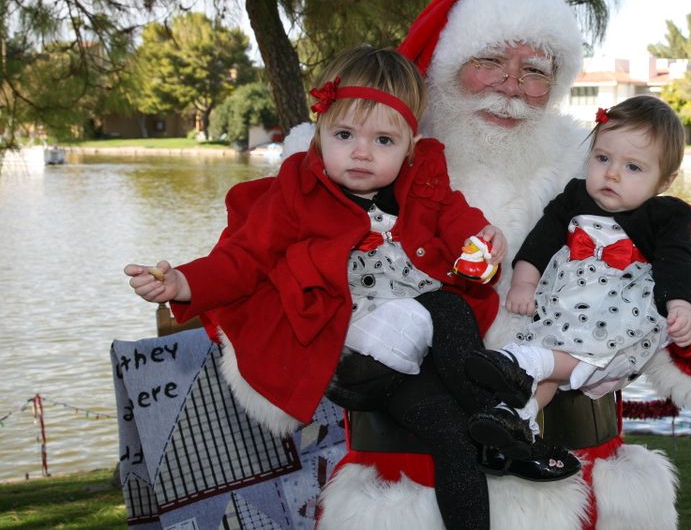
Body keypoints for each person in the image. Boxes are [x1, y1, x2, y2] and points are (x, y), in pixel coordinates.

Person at [311, 0, 691, 530]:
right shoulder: (373, 163)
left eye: (534, 70)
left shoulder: (590, 167)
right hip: (406, 487)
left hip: (578, 479)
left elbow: (685, 248)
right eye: (490, 61)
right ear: (447, 68)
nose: (511, 86)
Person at [124, 46, 576, 530]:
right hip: (353, 355)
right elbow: (244, 257)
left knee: (452, 432)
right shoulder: (297, 191)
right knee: (444, 308)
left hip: (412, 362)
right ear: (321, 134)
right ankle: (508, 422)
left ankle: (490, 448)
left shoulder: (424, 179)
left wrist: (483, 238)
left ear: (409, 146)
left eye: (383, 139)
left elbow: (456, 216)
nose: (361, 151)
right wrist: (185, 282)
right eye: (345, 135)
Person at [465, 95, 691, 446]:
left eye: (633, 167)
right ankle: (516, 417)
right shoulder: (574, 197)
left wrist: (681, 304)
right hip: (564, 306)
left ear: (665, 181)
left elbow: (677, 261)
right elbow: (540, 241)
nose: (612, 173)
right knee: (546, 368)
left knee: (562, 359)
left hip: (619, 316)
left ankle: (523, 363)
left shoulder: (666, 216)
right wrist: (525, 283)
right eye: (602, 158)